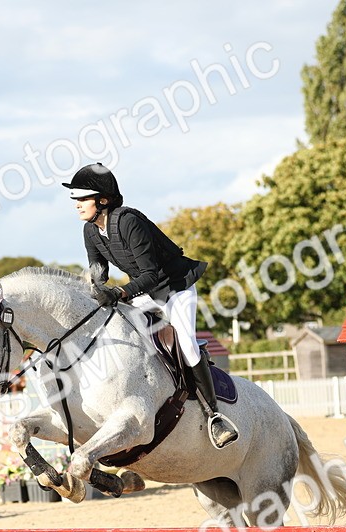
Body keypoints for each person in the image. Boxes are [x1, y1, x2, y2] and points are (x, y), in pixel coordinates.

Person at [62, 162, 239, 448]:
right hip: (144, 293)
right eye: (76, 199)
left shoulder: (128, 222)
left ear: (103, 200)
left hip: (175, 288)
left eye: (83, 198)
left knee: (187, 343)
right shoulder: (91, 231)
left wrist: (118, 292)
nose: (77, 204)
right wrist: (95, 285)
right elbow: (98, 267)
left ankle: (214, 416)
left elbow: (152, 274)